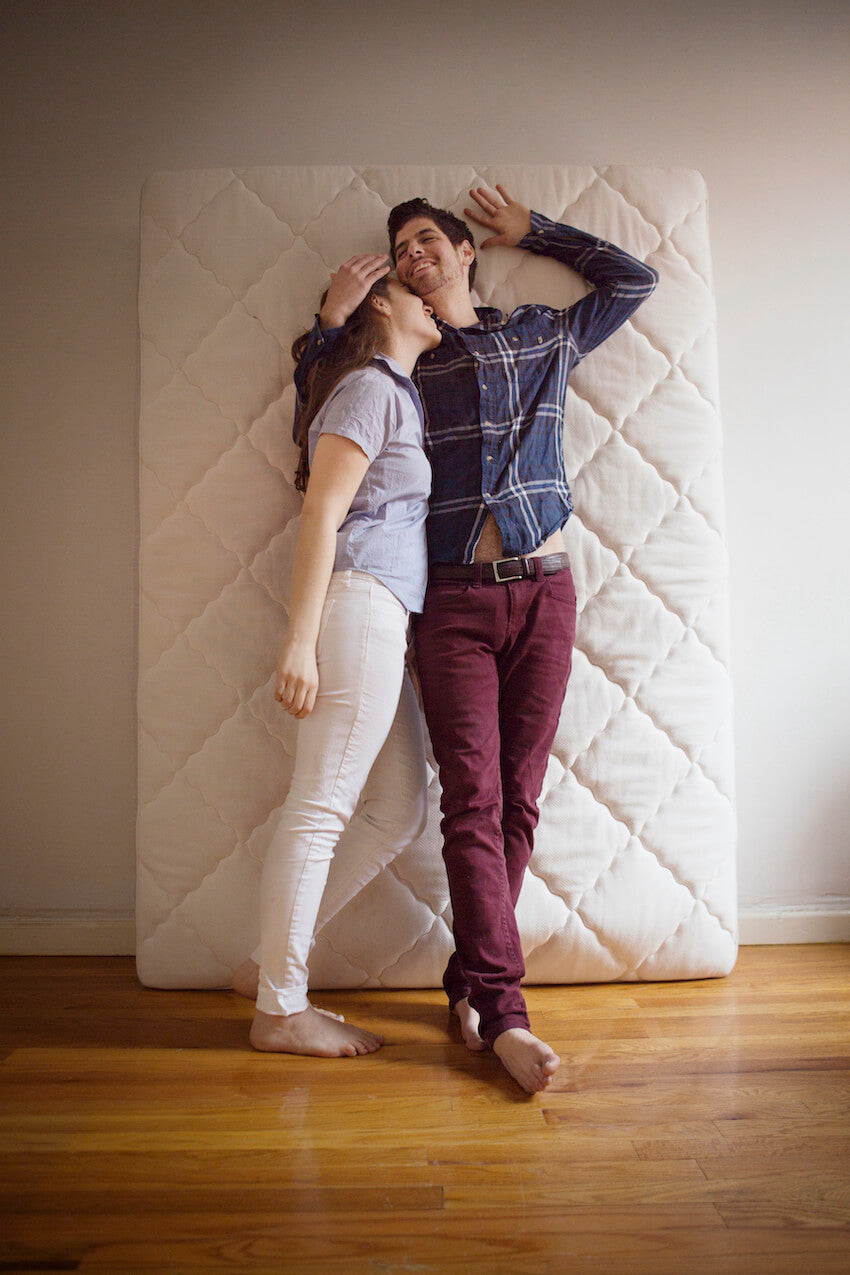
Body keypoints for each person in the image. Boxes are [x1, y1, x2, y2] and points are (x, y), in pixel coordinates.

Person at [294, 185, 658, 1091]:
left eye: (428, 241)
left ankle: (470, 984)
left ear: (464, 253)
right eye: (400, 248)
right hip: (451, 600)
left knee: (519, 806)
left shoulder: (540, 332)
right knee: (472, 802)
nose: (414, 254)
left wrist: (536, 231)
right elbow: (317, 422)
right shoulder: (400, 359)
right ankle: (504, 1016)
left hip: (546, 592)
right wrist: (326, 321)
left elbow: (634, 279)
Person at [232, 273, 441, 1057]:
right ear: (380, 305)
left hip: (381, 611)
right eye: (414, 289)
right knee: (320, 806)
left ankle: (265, 966)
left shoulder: (397, 393)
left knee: (396, 807)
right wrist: (299, 639)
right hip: (357, 604)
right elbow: (321, 511)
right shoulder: (369, 386)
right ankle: (281, 1007)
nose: (434, 297)